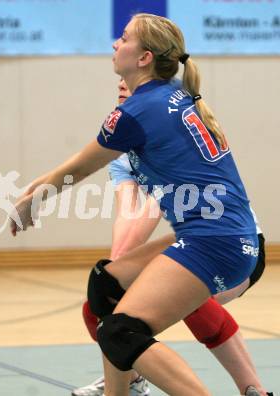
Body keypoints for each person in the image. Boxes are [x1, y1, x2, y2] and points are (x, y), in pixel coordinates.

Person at [10, 13, 266, 395]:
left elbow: (80, 166)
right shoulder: (172, 95)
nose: (115, 43)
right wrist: (38, 189)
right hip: (219, 234)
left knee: (121, 329)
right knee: (105, 285)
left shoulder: (138, 111)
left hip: (217, 242)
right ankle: (124, 391)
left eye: (125, 38)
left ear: (144, 57)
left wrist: (35, 199)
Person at [70, 80, 270, 396]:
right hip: (196, 242)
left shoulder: (165, 127)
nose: (121, 84)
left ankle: (253, 388)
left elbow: (151, 212)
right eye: (118, 84)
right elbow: (127, 221)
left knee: (188, 300)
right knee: (103, 293)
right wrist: (119, 274)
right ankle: (129, 381)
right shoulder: (123, 152)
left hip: (237, 244)